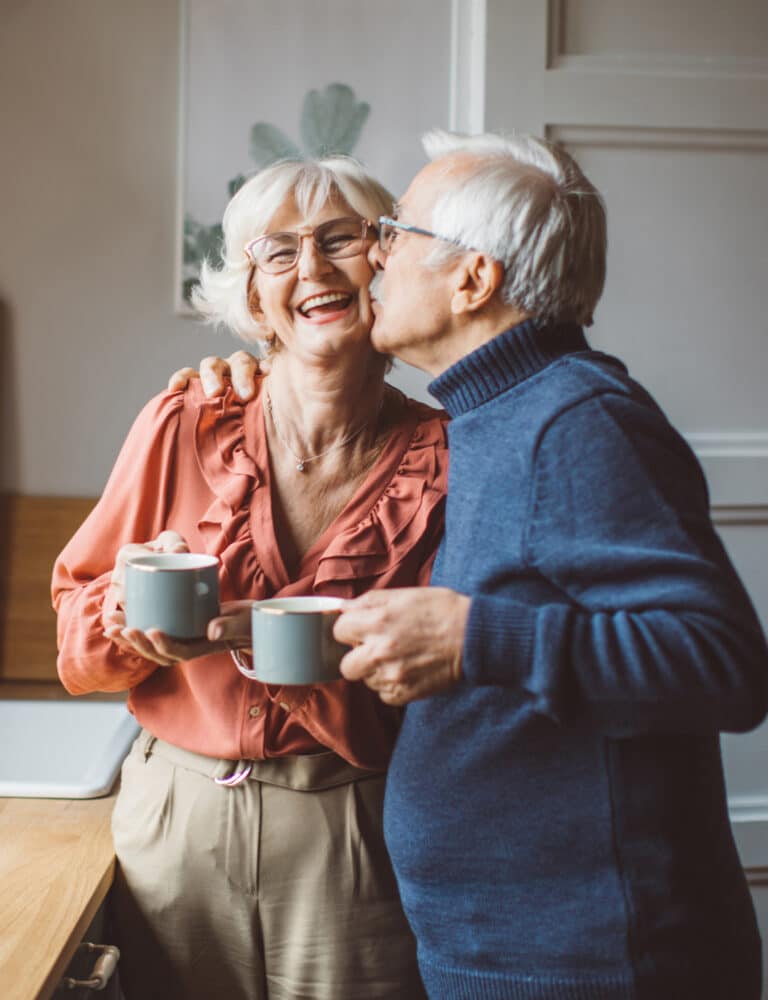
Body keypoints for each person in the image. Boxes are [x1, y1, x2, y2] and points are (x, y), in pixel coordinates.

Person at [187, 131, 768, 999]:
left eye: (397, 233)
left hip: (591, 961)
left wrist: (474, 641)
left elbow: (724, 666)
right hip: (514, 948)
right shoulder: (491, 414)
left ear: (473, 278)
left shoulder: (577, 420)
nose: (374, 255)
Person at [52, 155, 449, 1000]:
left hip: (354, 823)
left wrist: (309, 660)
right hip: (177, 814)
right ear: (255, 296)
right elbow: (74, 639)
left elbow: (451, 692)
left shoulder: (448, 460)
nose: (311, 268)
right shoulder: (183, 420)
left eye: (340, 239)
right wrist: (127, 619)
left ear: (384, 263)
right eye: (278, 251)